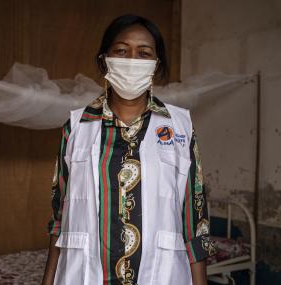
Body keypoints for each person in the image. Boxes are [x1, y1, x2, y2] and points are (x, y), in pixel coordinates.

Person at [42, 14, 216, 285]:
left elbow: (196, 220)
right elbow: (59, 217)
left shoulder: (180, 128)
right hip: (85, 275)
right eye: (121, 51)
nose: (132, 60)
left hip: (160, 274)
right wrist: (48, 281)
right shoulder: (77, 127)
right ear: (105, 60)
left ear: (156, 66)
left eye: (143, 53)